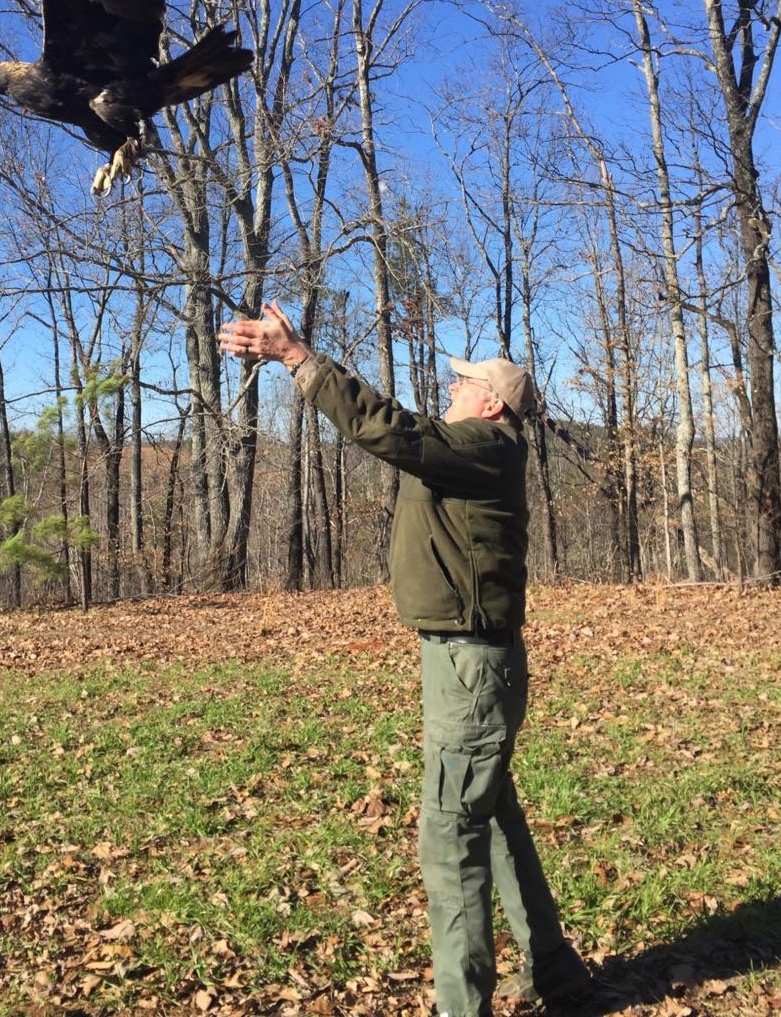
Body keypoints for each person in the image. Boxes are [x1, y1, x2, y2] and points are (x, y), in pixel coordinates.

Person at [218, 302, 589, 1017]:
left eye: (461, 384)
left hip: (471, 669)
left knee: (451, 838)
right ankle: (557, 970)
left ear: (490, 401)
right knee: (494, 816)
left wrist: (299, 358)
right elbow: (404, 436)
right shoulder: (476, 448)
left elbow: (391, 431)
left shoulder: (484, 446)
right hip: (468, 662)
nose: (450, 390)